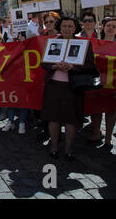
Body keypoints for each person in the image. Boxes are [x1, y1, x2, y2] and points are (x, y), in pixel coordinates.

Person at [41, 16, 95, 161]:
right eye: (64, 26)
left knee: (70, 119)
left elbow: (90, 65)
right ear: (60, 27)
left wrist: (73, 67)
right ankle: (54, 146)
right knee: (54, 117)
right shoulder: (52, 42)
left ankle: (68, 149)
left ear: (75, 28)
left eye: (70, 26)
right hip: (54, 85)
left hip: (73, 87)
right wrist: (54, 66)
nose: (67, 29)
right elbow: (44, 63)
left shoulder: (84, 44)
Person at [89, 18, 116, 150]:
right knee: (96, 109)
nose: (110, 28)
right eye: (108, 25)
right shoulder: (97, 44)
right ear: (103, 27)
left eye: (114, 26)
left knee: (110, 111)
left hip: (113, 85)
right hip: (97, 83)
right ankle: (96, 133)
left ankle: (108, 138)